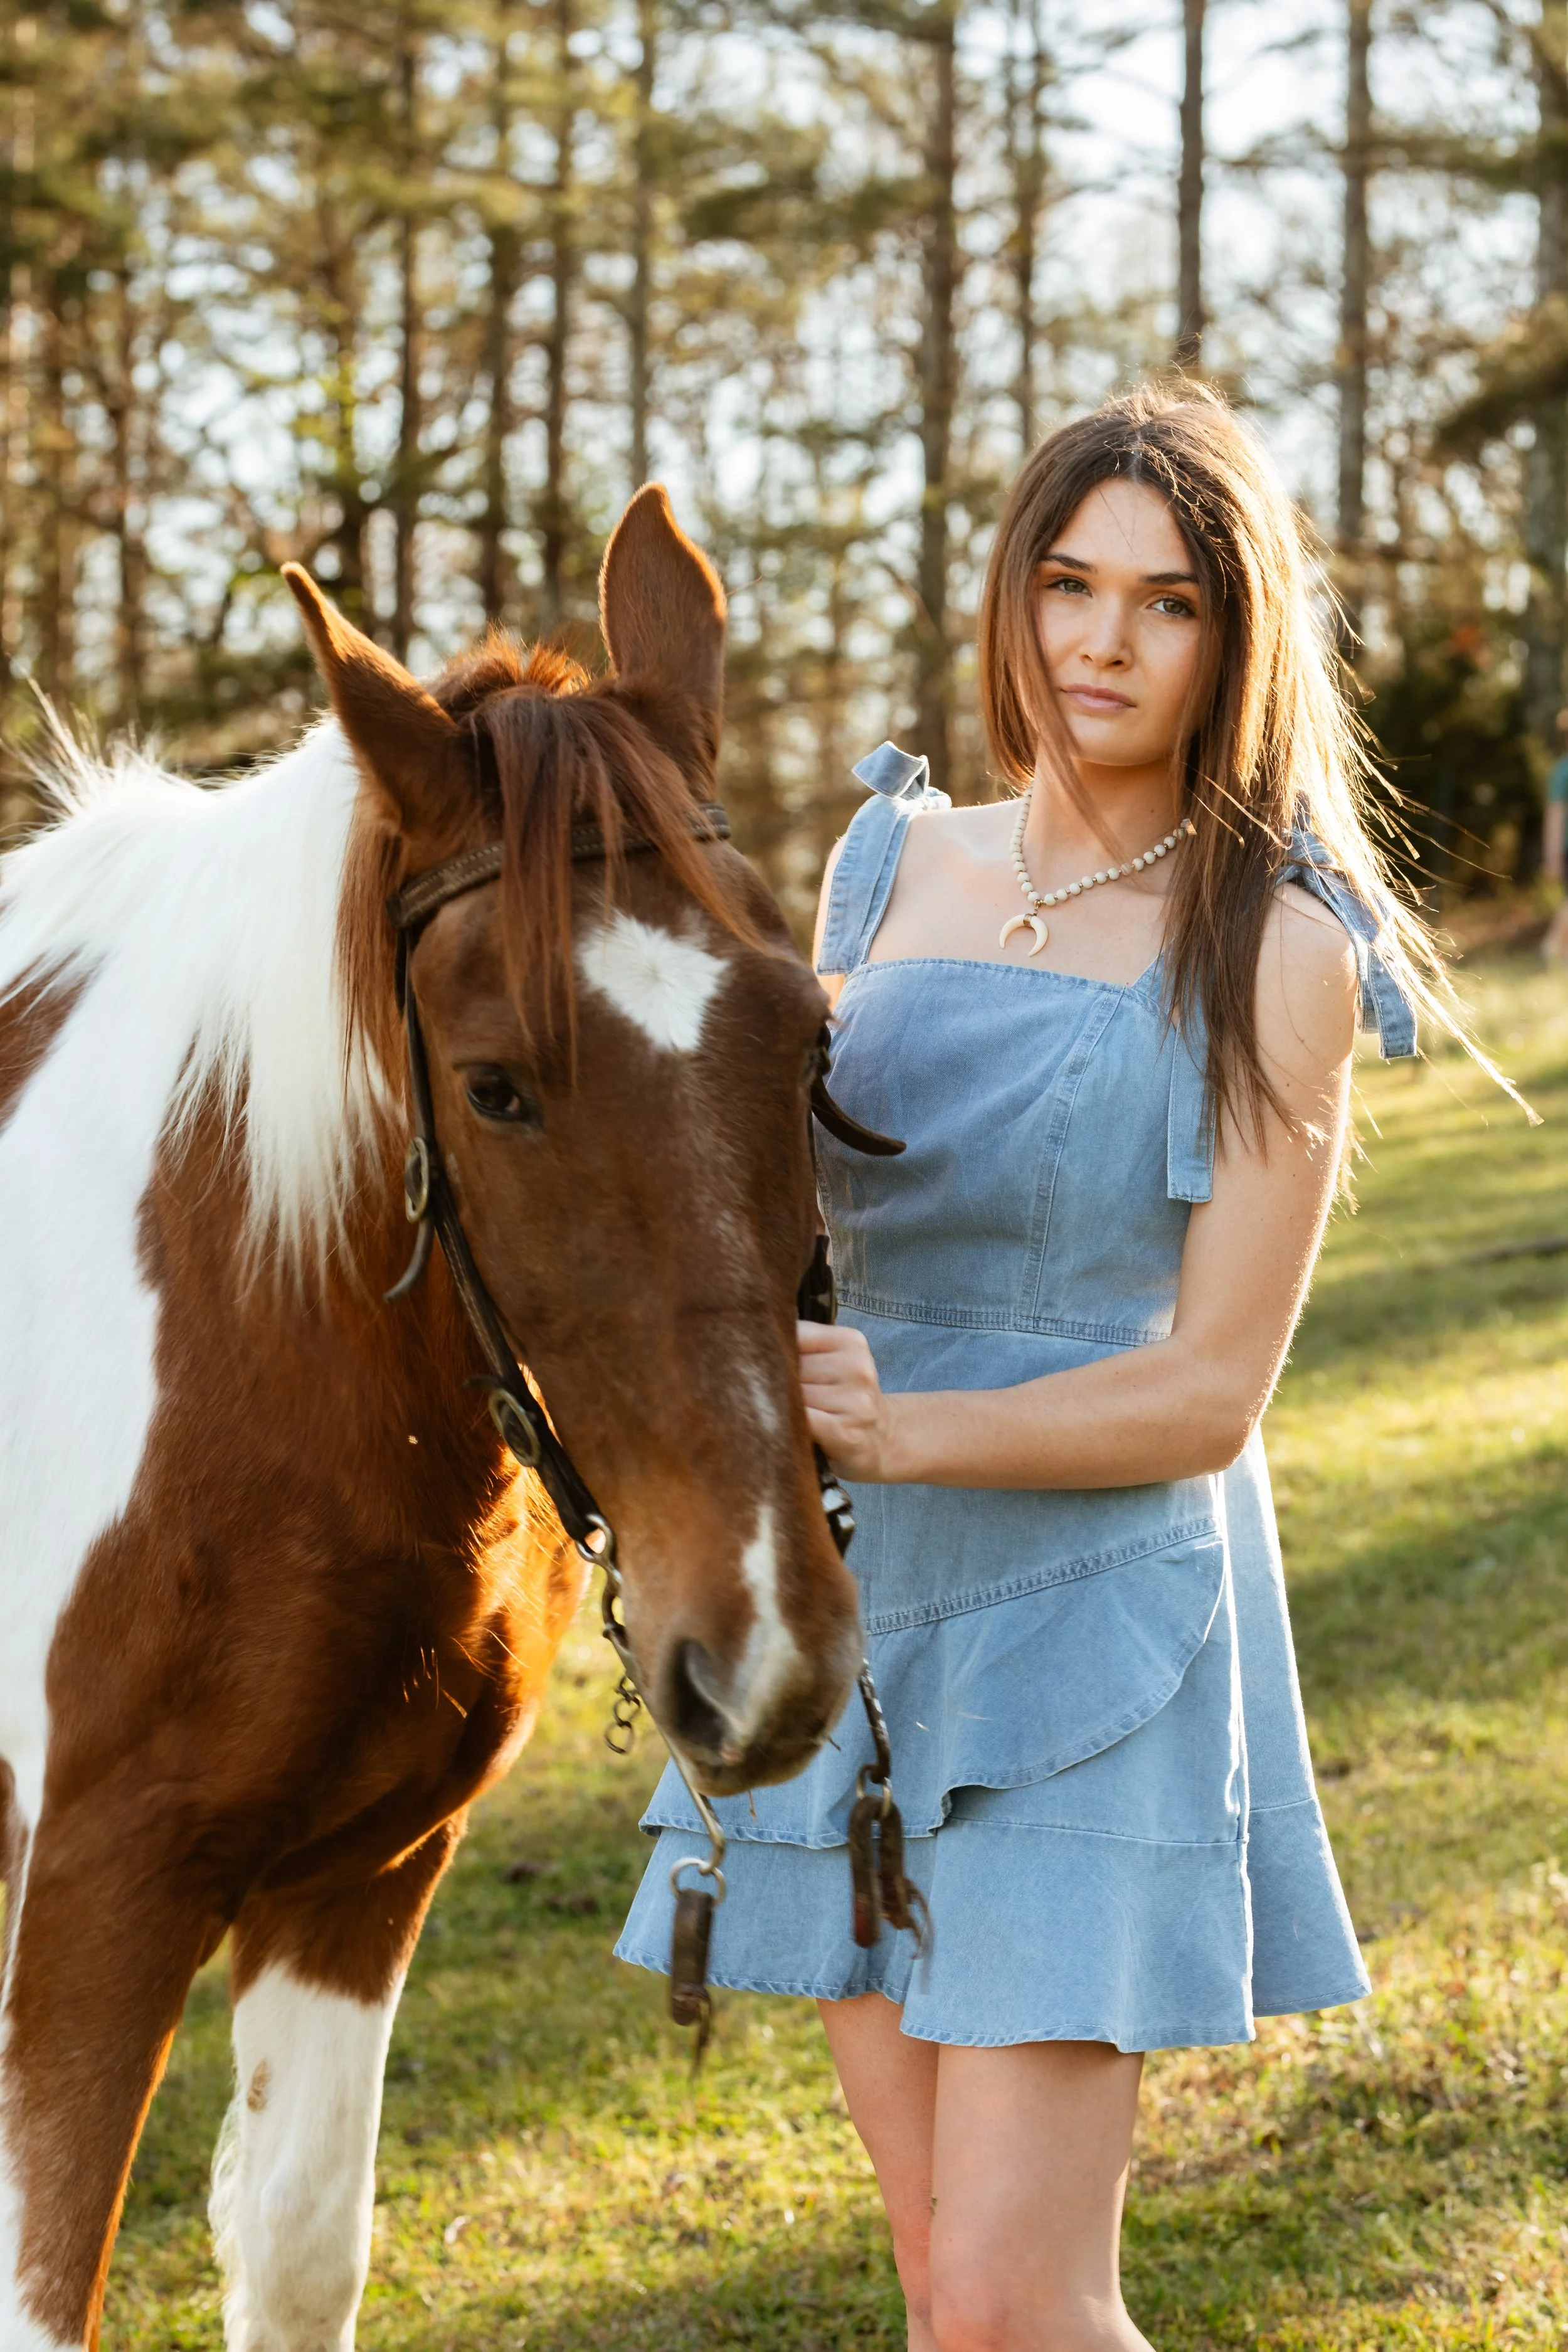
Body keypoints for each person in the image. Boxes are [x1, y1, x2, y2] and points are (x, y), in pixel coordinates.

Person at [616, 384, 1495, 2351]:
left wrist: (901, 1420)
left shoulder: (1272, 941)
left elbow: (1207, 1394)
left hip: (1095, 1632)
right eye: (1065, 583)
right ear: (1010, 597)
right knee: (943, 2286)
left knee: (1020, 2297)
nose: (1099, 642)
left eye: (1162, 602)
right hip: (860, 1620)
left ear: (1229, 638)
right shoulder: (877, 871)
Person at [1543, 710, 1568, 967]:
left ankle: (1558, 952)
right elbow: (1555, 816)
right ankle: (1550, 948)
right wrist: (1553, 856)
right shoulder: (1562, 772)